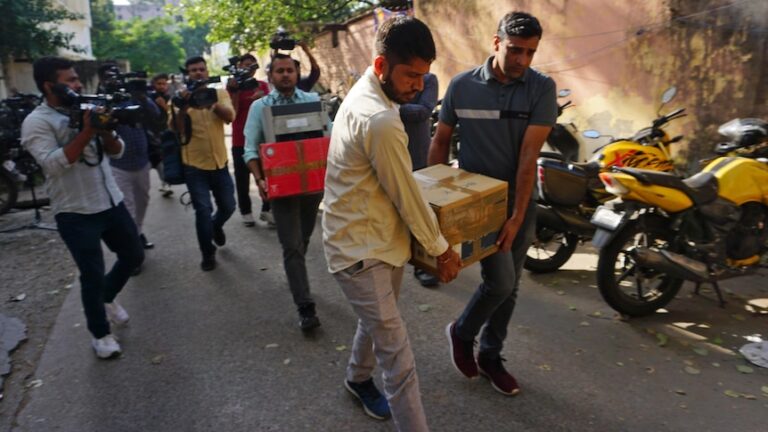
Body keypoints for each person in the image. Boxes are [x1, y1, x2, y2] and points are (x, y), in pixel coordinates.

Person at [322, 17, 461, 431]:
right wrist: (441, 250)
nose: (419, 85)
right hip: (361, 252)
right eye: (410, 75)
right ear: (381, 65)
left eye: (424, 75)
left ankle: (356, 379)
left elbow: (398, 191)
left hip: (378, 239)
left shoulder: (371, 96)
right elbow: (407, 195)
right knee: (399, 360)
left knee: (377, 322)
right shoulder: (380, 120)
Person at [429, 11, 557, 396]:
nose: (522, 60)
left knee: (512, 285)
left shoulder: (541, 88)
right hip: (477, 203)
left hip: (519, 201)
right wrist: (431, 200)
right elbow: (439, 141)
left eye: (530, 53)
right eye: (515, 50)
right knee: (499, 281)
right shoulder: (462, 86)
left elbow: (527, 158)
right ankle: (462, 331)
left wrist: (517, 215)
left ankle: (490, 355)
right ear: (496, 42)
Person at [21, 57, 144, 359]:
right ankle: (101, 335)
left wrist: (104, 130)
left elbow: (118, 151)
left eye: (77, 79)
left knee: (133, 255)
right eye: (71, 80)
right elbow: (52, 164)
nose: (78, 85)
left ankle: (106, 297)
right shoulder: (37, 122)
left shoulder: (88, 108)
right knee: (92, 273)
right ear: (50, 86)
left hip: (109, 200)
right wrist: (87, 132)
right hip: (75, 211)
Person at [243, 53, 325, 332]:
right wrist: (260, 179)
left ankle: (297, 278)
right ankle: (305, 306)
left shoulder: (313, 102)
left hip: (312, 187)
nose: (285, 75)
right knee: (291, 247)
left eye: (290, 70)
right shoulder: (259, 107)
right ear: (271, 76)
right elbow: (250, 149)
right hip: (281, 188)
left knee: (301, 241)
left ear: (297, 73)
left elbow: (327, 138)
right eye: (280, 71)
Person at [171, 56, 236, 271]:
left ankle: (216, 226)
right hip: (194, 165)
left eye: (201, 69)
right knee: (203, 210)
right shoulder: (179, 98)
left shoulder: (219, 93)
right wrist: (183, 107)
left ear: (207, 72)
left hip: (219, 162)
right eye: (193, 70)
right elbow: (176, 129)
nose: (198, 73)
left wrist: (212, 105)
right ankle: (207, 253)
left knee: (228, 206)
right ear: (187, 74)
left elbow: (230, 117)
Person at [98, 64, 164, 259]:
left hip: (142, 160)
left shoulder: (130, 95)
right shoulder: (100, 100)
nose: (114, 80)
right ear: (101, 80)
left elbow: (155, 115)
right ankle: (133, 249)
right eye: (109, 77)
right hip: (118, 164)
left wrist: (141, 96)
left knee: (142, 201)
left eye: (116, 76)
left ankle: (138, 232)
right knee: (127, 206)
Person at [399, 72, 440, 287]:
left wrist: (391, 108)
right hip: (392, 151)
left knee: (422, 211)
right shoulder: (388, 76)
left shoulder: (429, 79)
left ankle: (424, 265)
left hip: (417, 154)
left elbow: (424, 111)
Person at [226, 54, 273, 228]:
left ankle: (267, 209)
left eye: (252, 65)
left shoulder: (262, 85)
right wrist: (236, 92)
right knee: (242, 178)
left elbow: (269, 109)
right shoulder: (232, 86)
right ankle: (246, 212)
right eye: (245, 65)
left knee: (265, 175)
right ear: (239, 67)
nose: (249, 68)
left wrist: (260, 99)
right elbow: (232, 114)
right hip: (240, 139)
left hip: (261, 138)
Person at [150, 73, 174, 197]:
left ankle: (166, 182)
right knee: (158, 159)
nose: (162, 86)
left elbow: (173, 114)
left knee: (164, 158)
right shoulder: (149, 98)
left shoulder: (170, 98)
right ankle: (165, 183)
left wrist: (164, 106)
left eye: (164, 84)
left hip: (166, 131)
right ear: (154, 85)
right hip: (153, 134)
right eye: (159, 84)